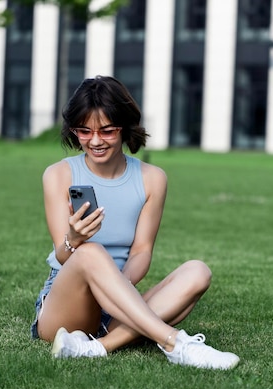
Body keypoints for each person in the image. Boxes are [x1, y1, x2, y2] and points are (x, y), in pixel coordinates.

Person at [30, 75, 239, 370]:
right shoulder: (58, 175)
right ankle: (176, 343)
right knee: (90, 252)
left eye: (107, 131)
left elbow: (142, 250)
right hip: (66, 307)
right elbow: (64, 255)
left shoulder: (152, 179)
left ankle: (96, 348)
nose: (95, 141)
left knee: (198, 272)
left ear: (125, 127)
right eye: (84, 131)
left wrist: (117, 291)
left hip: (118, 293)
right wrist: (74, 238)